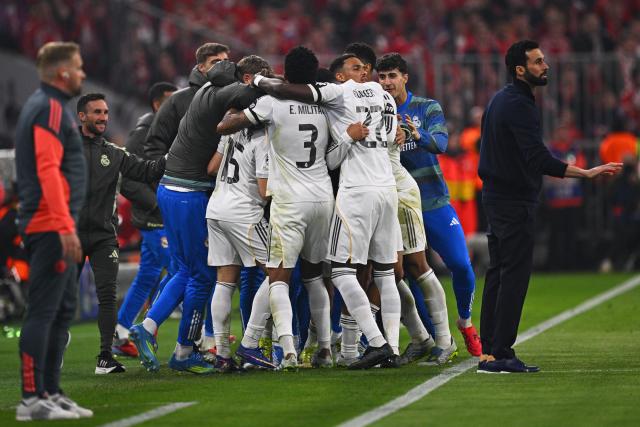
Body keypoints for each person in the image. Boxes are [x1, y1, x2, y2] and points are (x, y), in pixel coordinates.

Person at [477, 40, 622, 373]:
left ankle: (489, 351)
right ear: (520, 70)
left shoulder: (499, 100)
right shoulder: (520, 105)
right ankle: (501, 352)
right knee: (513, 275)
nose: (546, 66)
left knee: (498, 273)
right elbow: (537, 157)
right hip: (513, 202)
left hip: (496, 198)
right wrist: (584, 172)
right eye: (538, 61)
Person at [251, 52, 400, 370]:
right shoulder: (382, 94)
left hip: (350, 192)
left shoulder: (336, 92)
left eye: (362, 68)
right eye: (357, 67)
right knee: (384, 273)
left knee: (336, 273)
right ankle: (364, 348)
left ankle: (374, 343)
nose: (363, 72)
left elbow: (293, 98)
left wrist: (260, 81)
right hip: (384, 189)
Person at [129, 56, 268, 374]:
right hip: (188, 194)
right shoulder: (224, 94)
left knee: (184, 269)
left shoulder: (205, 88)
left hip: (171, 189)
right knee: (202, 275)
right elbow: (255, 96)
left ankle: (150, 327)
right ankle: (182, 350)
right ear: (243, 78)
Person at [218, 46, 337, 370]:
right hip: (323, 197)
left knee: (279, 278)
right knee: (315, 277)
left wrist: (236, 106)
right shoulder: (327, 99)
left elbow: (227, 126)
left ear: (285, 72)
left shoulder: (273, 102)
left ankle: (287, 350)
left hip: (290, 201)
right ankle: (325, 348)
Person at [376, 52, 480, 359]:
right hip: (395, 204)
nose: (387, 83)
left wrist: (415, 133)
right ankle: (433, 338)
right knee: (409, 273)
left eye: (392, 76)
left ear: (405, 77)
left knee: (460, 264)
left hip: (432, 200)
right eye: (381, 77)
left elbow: (442, 145)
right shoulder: (372, 110)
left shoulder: (426, 107)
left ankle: (465, 322)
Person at [15, 41, 92, 420]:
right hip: (48, 225)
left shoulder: (51, 107)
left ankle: (50, 391)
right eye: (78, 67)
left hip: (56, 223)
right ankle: (31, 400)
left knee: (62, 312)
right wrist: (64, 226)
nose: (82, 73)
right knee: (44, 312)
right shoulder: (46, 107)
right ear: (62, 73)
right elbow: (48, 169)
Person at [75, 93, 166, 375]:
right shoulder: (66, 152)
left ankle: (105, 357)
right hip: (71, 236)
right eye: (96, 112)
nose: (103, 117)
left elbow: (148, 170)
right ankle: (50, 348)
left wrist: (179, 152)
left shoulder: (114, 154)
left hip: (104, 237)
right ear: (82, 116)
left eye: (105, 112)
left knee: (107, 295)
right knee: (61, 296)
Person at [113, 82, 177, 357]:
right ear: (156, 104)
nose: (177, 108)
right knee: (176, 269)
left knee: (150, 274)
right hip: (153, 216)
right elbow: (127, 182)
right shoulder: (143, 134)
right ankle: (149, 328)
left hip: (165, 213)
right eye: (171, 103)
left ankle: (123, 332)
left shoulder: (167, 129)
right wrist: (158, 204)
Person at [144, 43, 229, 161]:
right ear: (201, 67)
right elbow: (155, 145)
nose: (222, 66)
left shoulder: (234, 99)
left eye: (225, 61)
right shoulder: (177, 100)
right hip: (184, 178)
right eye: (215, 62)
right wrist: (169, 174)